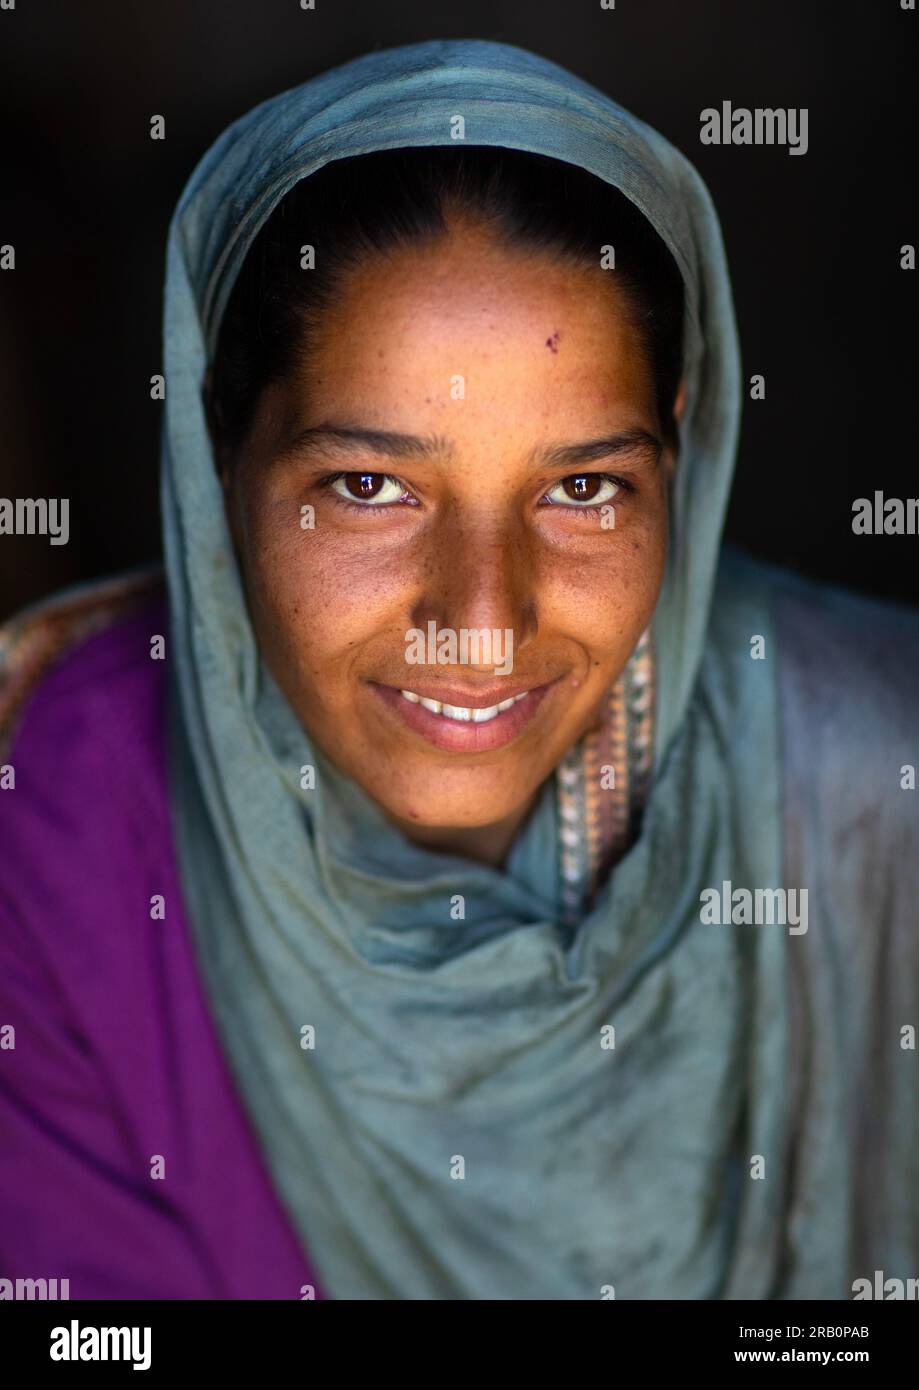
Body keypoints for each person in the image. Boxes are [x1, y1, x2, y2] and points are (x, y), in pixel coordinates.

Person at [1, 38, 917, 1302]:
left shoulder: (879, 788)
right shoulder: (70, 810)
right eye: (369, 487)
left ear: (684, 454)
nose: (481, 620)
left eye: (584, 487)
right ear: (220, 452)